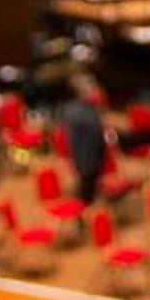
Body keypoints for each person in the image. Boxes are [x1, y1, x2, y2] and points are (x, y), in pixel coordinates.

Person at [57, 76, 108, 208]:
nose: (95, 93)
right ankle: (83, 210)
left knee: (90, 187)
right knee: (86, 191)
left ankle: (86, 206)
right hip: (85, 157)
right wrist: (76, 162)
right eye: (91, 90)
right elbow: (73, 140)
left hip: (94, 155)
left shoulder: (89, 108)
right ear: (81, 93)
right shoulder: (75, 112)